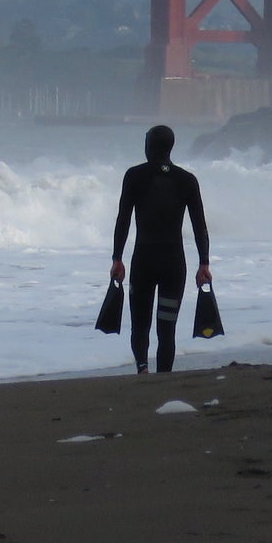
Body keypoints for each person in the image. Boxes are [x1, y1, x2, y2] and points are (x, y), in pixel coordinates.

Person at [109, 124, 211, 374]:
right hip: (174, 263)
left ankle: (143, 370)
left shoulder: (134, 176)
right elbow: (200, 225)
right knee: (167, 328)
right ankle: (164, 377)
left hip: (144, 260)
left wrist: (117, 258)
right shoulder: (187, 180)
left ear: (149, 146)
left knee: (140, 324)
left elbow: (123, 219)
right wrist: (204, 263)